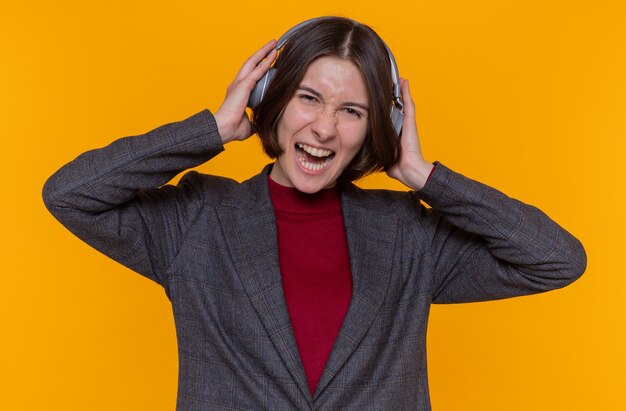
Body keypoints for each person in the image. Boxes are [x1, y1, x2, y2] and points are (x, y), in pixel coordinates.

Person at [43, 16, 586, 410]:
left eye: (351, 111)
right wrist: (210, 129)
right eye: (308, 98)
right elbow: (70, 193)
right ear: (270, 101)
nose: (325, 128)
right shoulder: (196, 220)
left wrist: (423, 174)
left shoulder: (408, 233)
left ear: (377, 128)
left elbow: (556, 259)